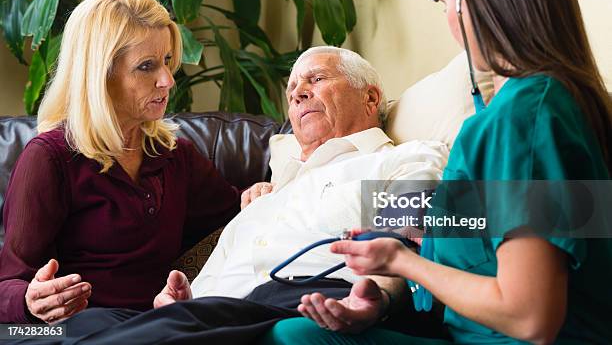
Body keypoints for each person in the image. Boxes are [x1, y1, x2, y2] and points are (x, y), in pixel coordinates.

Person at [264, 0, 612, 344]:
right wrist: (391, 287)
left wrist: (404, 262)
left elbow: (529, 315)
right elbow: (513, 235)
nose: (448, 19)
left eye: (444, 1)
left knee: (292, 337)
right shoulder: (559, 103)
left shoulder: (525, 115)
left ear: (472, 0)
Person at [28, 47, 450, 344]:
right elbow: (205, 297)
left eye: (317, 80)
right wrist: (178, 300)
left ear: (371, 97)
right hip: (205, 316)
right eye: (292, 89)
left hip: (299, 298)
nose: (298, 93)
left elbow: (405, 235)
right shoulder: (263, 198)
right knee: (57, 328)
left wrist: (378, 299)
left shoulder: (400, 160)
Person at [0, 0, 239, 324]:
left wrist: (259, 197)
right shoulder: (49, 159)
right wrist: (29, 302)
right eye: (147, 66)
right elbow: (8, 282)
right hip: (77, 328)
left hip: (159, 324)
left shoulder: (175, 157)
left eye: (167, 61)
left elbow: (240, 222)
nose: (167, 80)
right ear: (100, 75)